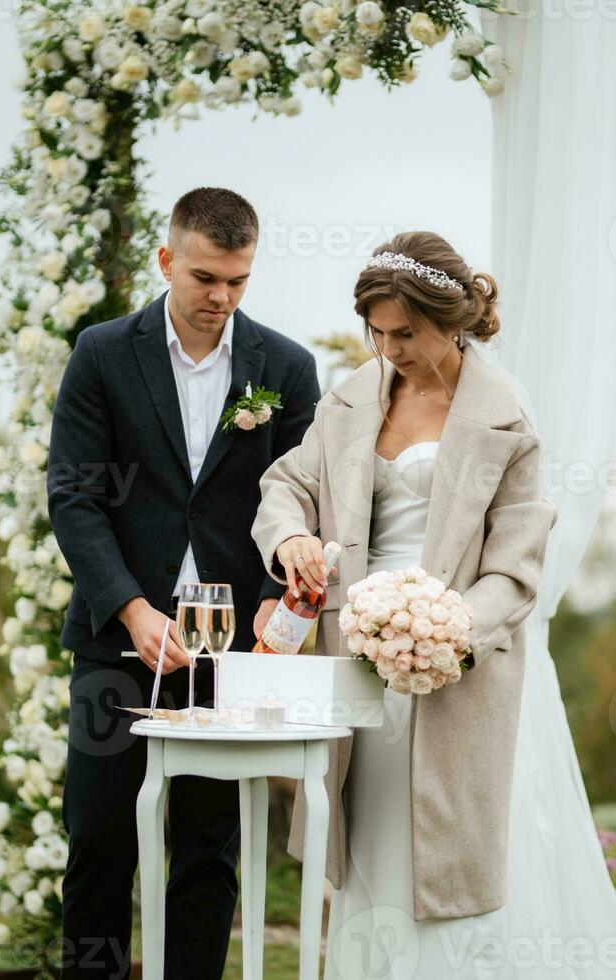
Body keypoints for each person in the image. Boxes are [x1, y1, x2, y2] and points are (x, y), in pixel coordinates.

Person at [251, 229, 615, 978]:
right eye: (377, 332)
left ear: (450, 321)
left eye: (405, 333)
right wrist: (289, 538)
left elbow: (514, 572)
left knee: (451, 852)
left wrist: (447, 633)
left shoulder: (506, 416)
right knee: (372, 843)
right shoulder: (352, 396)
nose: (389, 348)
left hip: (458, 668)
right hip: (353, 657)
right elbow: (287, 484)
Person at [47, 186, 320, 979]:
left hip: (229, 654)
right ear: (167, 260)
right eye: (205, 277)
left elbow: (299, 496)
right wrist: (131, 608)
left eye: (237, 280)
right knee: (98, 838)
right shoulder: (102, 352)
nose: (221, 297)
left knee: (207, 848)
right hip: (115, 640)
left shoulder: (288, 367)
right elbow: (75, 493)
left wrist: (276, 596)